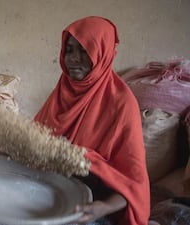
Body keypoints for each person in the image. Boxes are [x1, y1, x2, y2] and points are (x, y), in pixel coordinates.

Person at [34, 16, 150, 224]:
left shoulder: (121, 103)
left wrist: (103, 208)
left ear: (102, 53)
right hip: (51, 193)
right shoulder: (62, 92)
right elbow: (30, 143)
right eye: (69, 50)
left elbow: (134, 183)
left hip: (93, 207)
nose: (74, 58)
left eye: (84, 51)